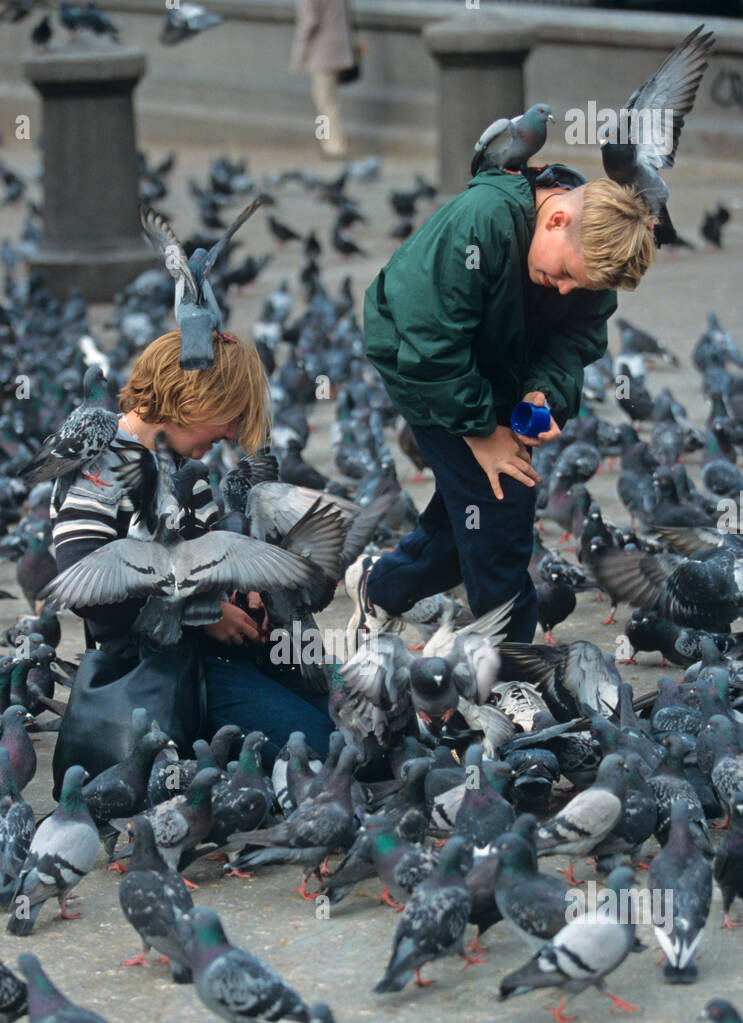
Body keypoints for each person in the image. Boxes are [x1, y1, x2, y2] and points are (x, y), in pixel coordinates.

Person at [356, 165, 657, 643]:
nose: (564, 290)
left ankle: (380, 586)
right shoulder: (482, 221)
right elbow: (432, 343)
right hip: (420, 364)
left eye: (576, 286)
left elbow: (577, 338)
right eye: (563, 275)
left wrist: (544, 393)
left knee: (474, 514)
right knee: (500, 507)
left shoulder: (591, 256)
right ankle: (508, 665)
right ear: (556, 219)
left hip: (496, 364)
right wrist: (481, 432)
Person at [51, 330, 334, 768]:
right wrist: (205, 615)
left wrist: (245, 590)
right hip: (159, 670)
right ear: (200, 400)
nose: (232, 432)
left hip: (219, 655)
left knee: (354, 728)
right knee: (317, 751)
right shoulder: (98, 466)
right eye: (231, 416)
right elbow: (93, 598)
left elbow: (207, 559)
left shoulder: (186, 469)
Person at [290, 0, 354, 160]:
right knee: (329, 102)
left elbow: (309, 21)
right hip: (338, 47)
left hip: (321, 51)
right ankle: (330, 142)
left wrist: (299, 53)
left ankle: (330, 144)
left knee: (324, 103)